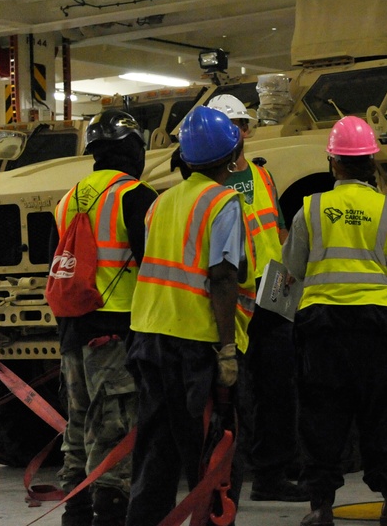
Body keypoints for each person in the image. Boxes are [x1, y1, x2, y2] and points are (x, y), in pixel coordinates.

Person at [281, 116, 387, 526]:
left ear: (333, 162)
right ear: (372, 162)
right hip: (378, 331)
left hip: (322, 331)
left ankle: (320, 508)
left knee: (320, 418)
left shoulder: (309, 209)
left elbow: (291, 268)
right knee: (384, 416)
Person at [125, 106, 245, 526]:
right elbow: (224, 277)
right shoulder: (223, 202)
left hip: (147, 335)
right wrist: (227, 350)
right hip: (193, 343)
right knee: (209, 448)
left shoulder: (160, 202)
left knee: (155, 446)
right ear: (233, 156)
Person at [53, 110, 157, 526]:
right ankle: (109, 514)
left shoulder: (67, 198)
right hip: (116, 329)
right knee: (115, 425)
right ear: (132, 148)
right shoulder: (136, 194)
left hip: (73, 327)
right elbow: (153, 262)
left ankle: (75, 511)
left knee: (78, 422)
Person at [207, 94, 307, 504]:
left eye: (242, 124)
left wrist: (291, 290)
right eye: (231, 125)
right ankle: (222, 480)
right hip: (233, 300)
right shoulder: (207, 179)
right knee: (233, 395)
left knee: (279, 389)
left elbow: (278, 232)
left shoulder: (263, 175)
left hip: (271, 294)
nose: (240, 132)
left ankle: (270, 475)